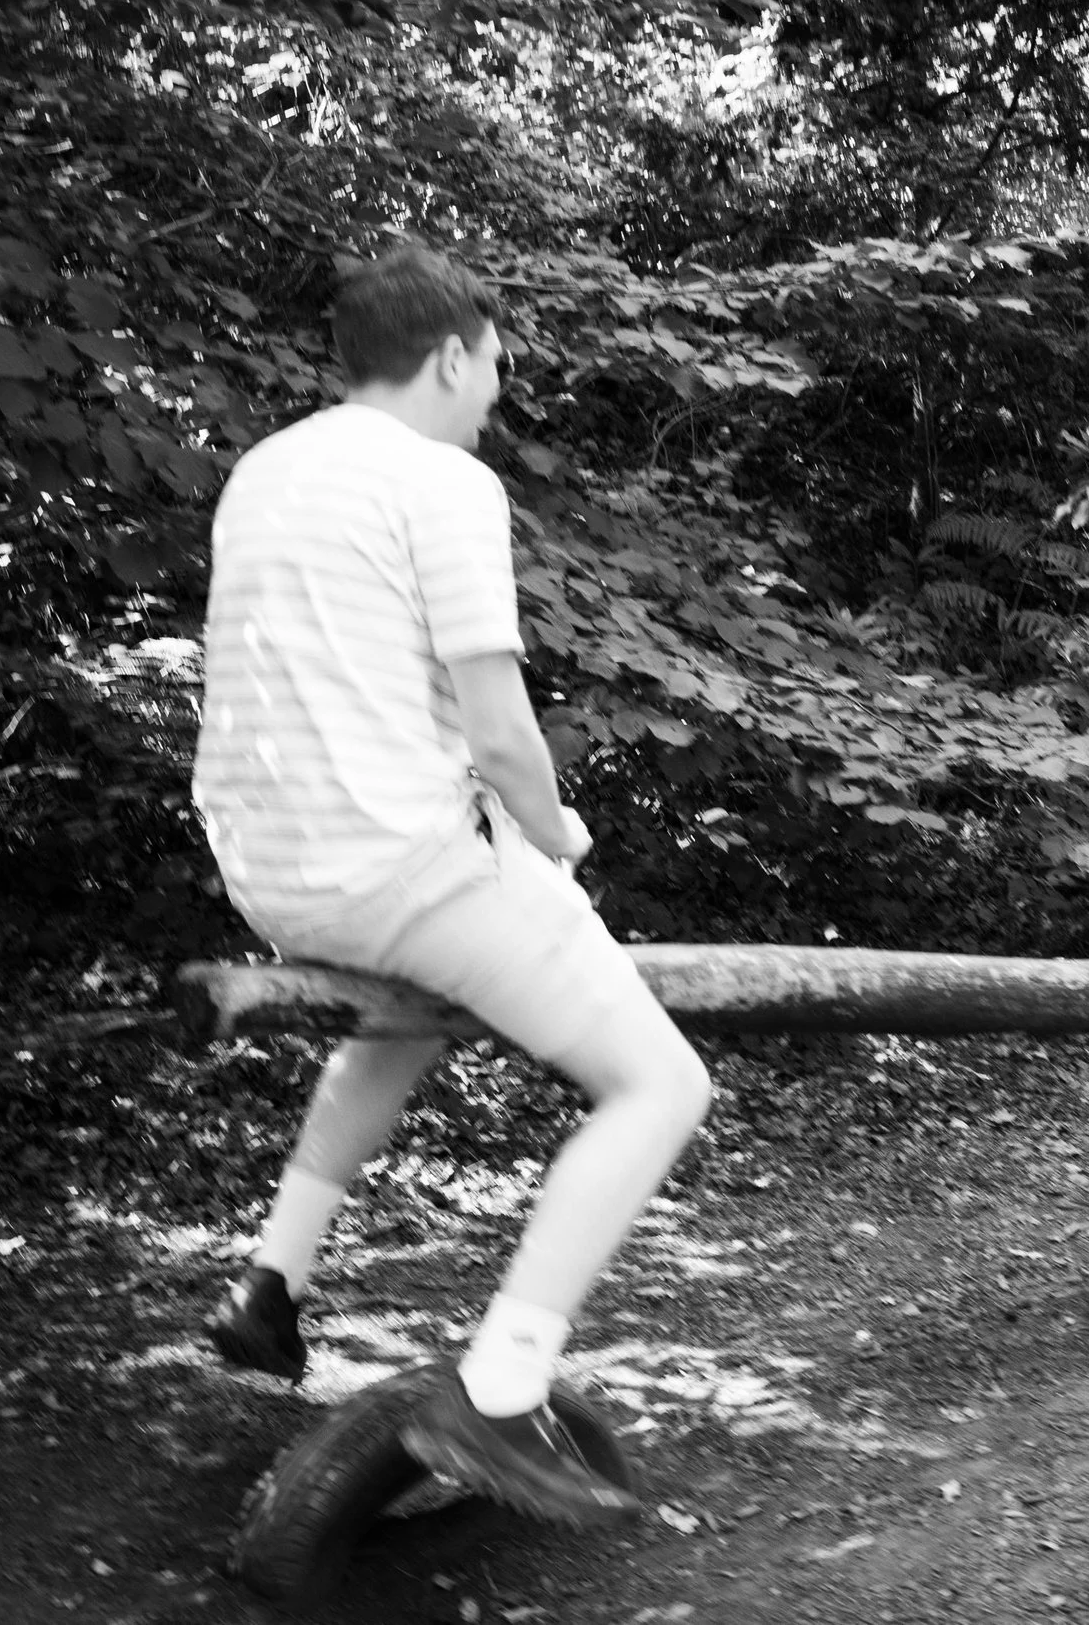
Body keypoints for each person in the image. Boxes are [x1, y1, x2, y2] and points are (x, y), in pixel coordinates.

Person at [191, 244, 714, 1524]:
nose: (494, 395)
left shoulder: (266, 471)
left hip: (270, 867)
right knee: (661, 1081)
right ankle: (498, 1386)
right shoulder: (441, 481)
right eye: (491, 369)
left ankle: (271, 1284)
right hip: (401, 864)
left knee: (409, 1014)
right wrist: (559, 834)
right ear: (447, 356)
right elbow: (497, 727)